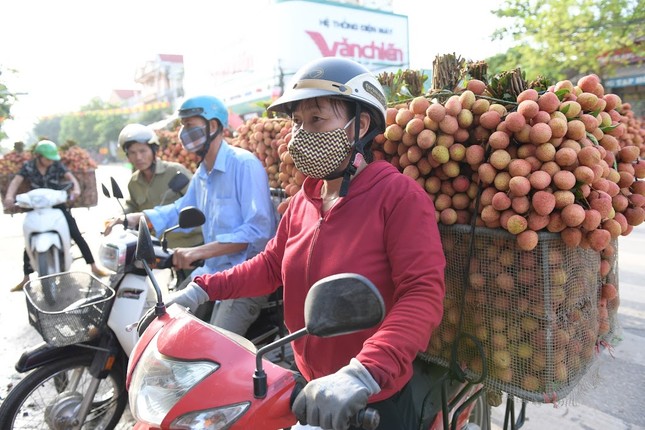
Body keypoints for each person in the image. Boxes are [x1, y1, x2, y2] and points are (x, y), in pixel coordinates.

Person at [160, 57, 447, 429]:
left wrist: (365, 372)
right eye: (297, 122)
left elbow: (421, 293)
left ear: (358, 126)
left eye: (317, 120)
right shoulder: (302, 201)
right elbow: (268, 266)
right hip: (312, 387)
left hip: (372, 398)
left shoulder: (399, 197)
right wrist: (200, 290)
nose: (301, 133)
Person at [106, 96, 277, 336]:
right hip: (212, 270)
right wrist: (137, 218)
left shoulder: (243, 164)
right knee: (166, 322)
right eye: (182, 126)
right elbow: (180, 209)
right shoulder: (203, 174)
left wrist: (198, 252)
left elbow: (258, 233)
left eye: (190, 125)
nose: (184, 132)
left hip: (246, 276)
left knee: (216, 349)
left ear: (214, 126)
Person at [4, 139, 109, 292]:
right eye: (47, 158)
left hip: (56, 205)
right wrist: (9, 197)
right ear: (39, 156)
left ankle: (93, 266)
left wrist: (76, 190)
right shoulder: (28, 167)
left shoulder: (56, 165)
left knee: (76, 233)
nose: (50, 161)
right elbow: (15, 182)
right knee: (28, 239)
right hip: (36, 206)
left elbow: (71, 179)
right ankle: (26, 278)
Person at [112, 123, 202, 250]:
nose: (138, 157)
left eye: (142, 151)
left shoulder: (174, 171)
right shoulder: (134, 182)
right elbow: (132, 206)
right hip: (162, 247)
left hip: (192, 244)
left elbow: (199, 200)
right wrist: (120, 216)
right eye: (132, 153)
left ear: (154, 151)